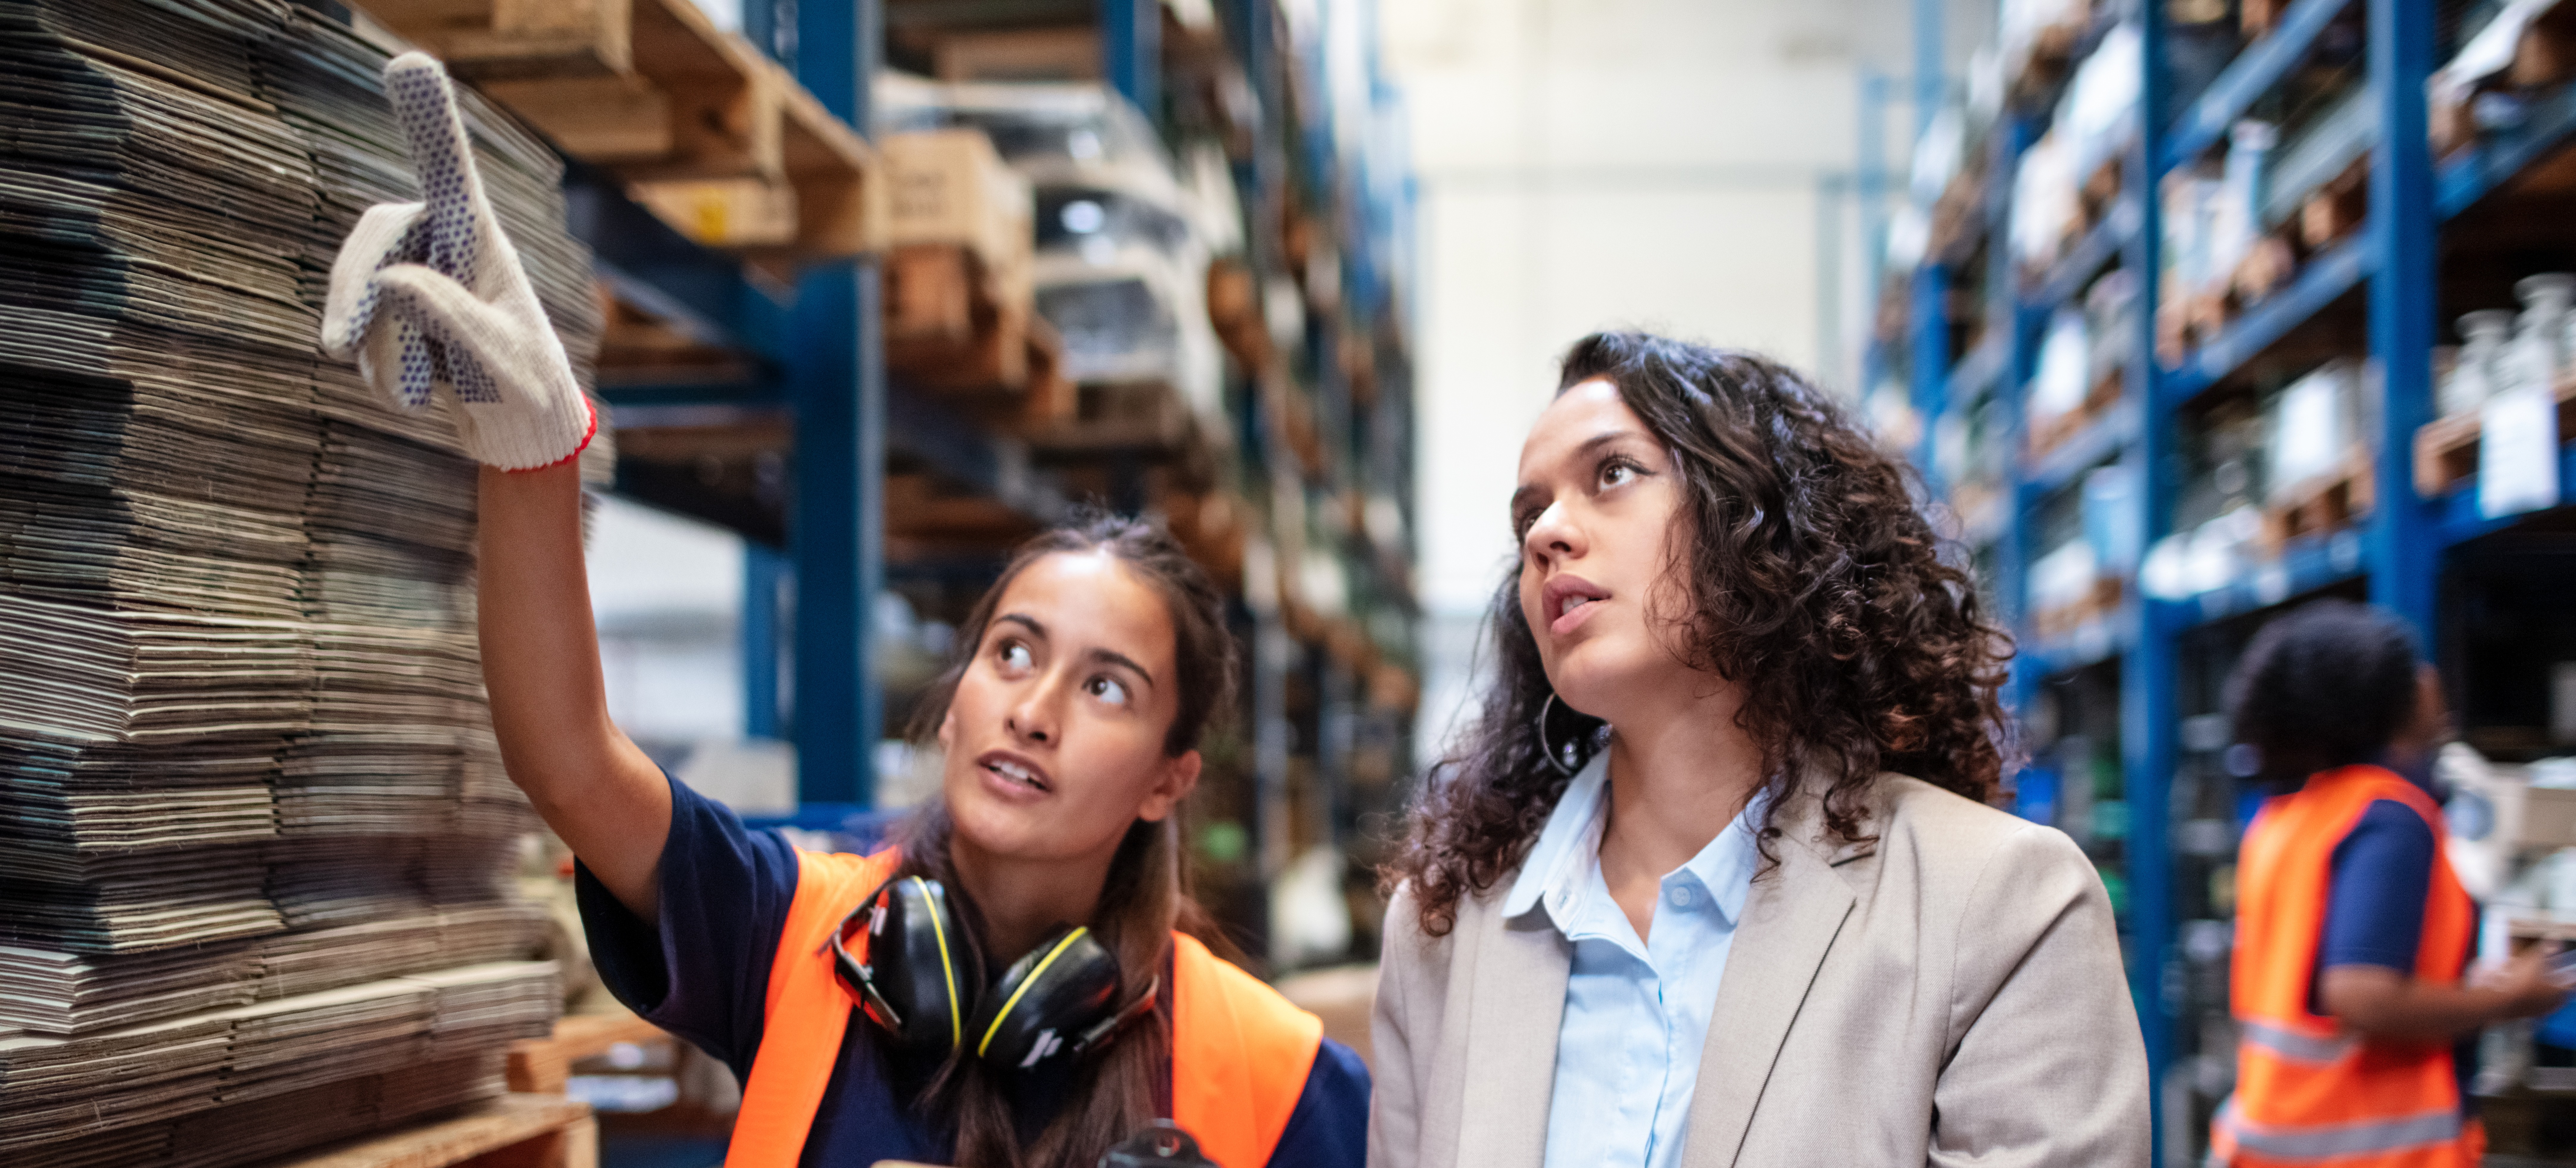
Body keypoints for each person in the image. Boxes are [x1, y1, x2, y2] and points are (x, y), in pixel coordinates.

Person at [319, 54, 1368, 1168]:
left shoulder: (1275, 1076)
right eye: (1013, 653)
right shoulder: (797, 934)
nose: (1037, 709)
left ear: (1171, 778)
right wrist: (536, 463)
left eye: (1107, 685)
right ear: (957, 701)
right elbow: (568, 760)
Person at [1370, 333, 2149, 1168]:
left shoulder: (1999, 905)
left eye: (1613, 472)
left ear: (1756, 518)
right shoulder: (1440, 930)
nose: (1547, 532)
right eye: (1529, 512)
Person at [2212, 599, 2570, 1167]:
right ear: (2377, 702)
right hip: (2370, 1152)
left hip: (2274, 1138)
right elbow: (2361, 993)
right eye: (2414, 669)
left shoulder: (2289, 816)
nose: (2430, 680)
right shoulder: (2387, 815)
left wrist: (2467, 986)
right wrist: (2509, 997)